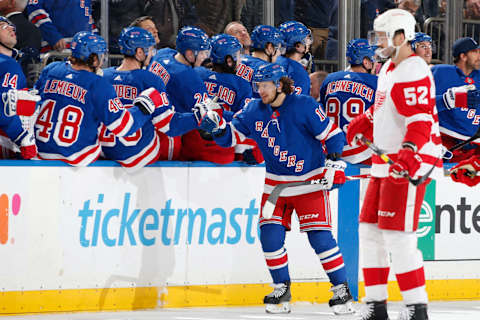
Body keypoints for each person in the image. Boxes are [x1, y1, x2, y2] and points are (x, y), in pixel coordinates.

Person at [200, 63, 354, 315]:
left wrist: (335, 163)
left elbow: (333, 135)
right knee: (269, 237)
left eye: (265, 85)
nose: (260, 90)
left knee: (321, 238)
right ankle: (281, 288)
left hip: (309, 184)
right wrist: (215, 129)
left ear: (280, 84)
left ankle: (342, 291)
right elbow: (232, 136)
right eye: (258, 86)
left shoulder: (304, 105)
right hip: (275, 187)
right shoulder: (252, 110)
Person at [346, 8, 443, 320]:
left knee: (398, 236)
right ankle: (376, 305)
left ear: (401, 35)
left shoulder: (413, 69)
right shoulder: (388, 67)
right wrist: (365, 120)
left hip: (408, 163)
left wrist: (409, 153)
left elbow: (420, 119)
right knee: (370, 231)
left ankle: (417, 308)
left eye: (383, 35)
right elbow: (385, 108)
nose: (378, 41)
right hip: (384, 162)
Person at [33, 31, 154, 165]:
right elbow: (122, 126)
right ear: (94, 59)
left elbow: (34, 100)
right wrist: (143, 107)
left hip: (40, 152)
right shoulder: (98, 84)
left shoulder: (52, 69)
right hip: (76, 159)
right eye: (101, 56)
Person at [101, 27, 200, 167]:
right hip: (140, 157)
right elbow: (169, 125)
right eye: (150, 49)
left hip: (105, 154)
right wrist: (198, 116)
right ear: (139, 52)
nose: (153, 54)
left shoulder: (103, 76)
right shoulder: (150, 80)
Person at [147, 26, 224, 163]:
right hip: (166, 134)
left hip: (146, 123)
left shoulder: (163, 54)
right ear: (189, 54)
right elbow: (206, 115)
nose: (205, 57)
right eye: (202, 53)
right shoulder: (188, 78)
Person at [196, 33, 260, 165]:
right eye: (237, 55)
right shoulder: (241, 84)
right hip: (222, 146)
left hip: (192, 142)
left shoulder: (196, 73)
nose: (240, 60)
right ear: (229, 60)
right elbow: (243, 119)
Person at [320, 38, 377, 164]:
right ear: (366, 62)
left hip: (331, 148)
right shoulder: (376, 82)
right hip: (360, 150)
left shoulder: (329, 79)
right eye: (373, 59)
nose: (376, 63)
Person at [431, 37, 480, 162]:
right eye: (475, 52)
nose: (479, 55)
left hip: (475, 146)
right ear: (463, 56)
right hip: (446, 140)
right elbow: (422, 103)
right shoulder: (440, 73)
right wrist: (446, 100)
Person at [0, 16, 38, 159]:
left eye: (11, 26)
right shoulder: (8, 64)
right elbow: (4, 108)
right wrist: (23, 139)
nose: (11, 27)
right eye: (3, 26)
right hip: (6, 140)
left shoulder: (12, 62)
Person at [26, 0, 95, 52]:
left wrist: (95, 39)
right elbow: (34, 10)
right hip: (58, 51)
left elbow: (87, 17)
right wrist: (53, 36)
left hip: (85, 49)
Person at [235, 24, 282, 96]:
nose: (279, 53)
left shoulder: (237, 59)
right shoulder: (269, 70)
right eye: (277, 48)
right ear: (269, 47)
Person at [277, 21, 311, 95]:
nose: (308, 42)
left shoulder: (274, 61)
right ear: (298, 46)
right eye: (306, 39)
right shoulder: (298, 72)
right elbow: (299, 104)